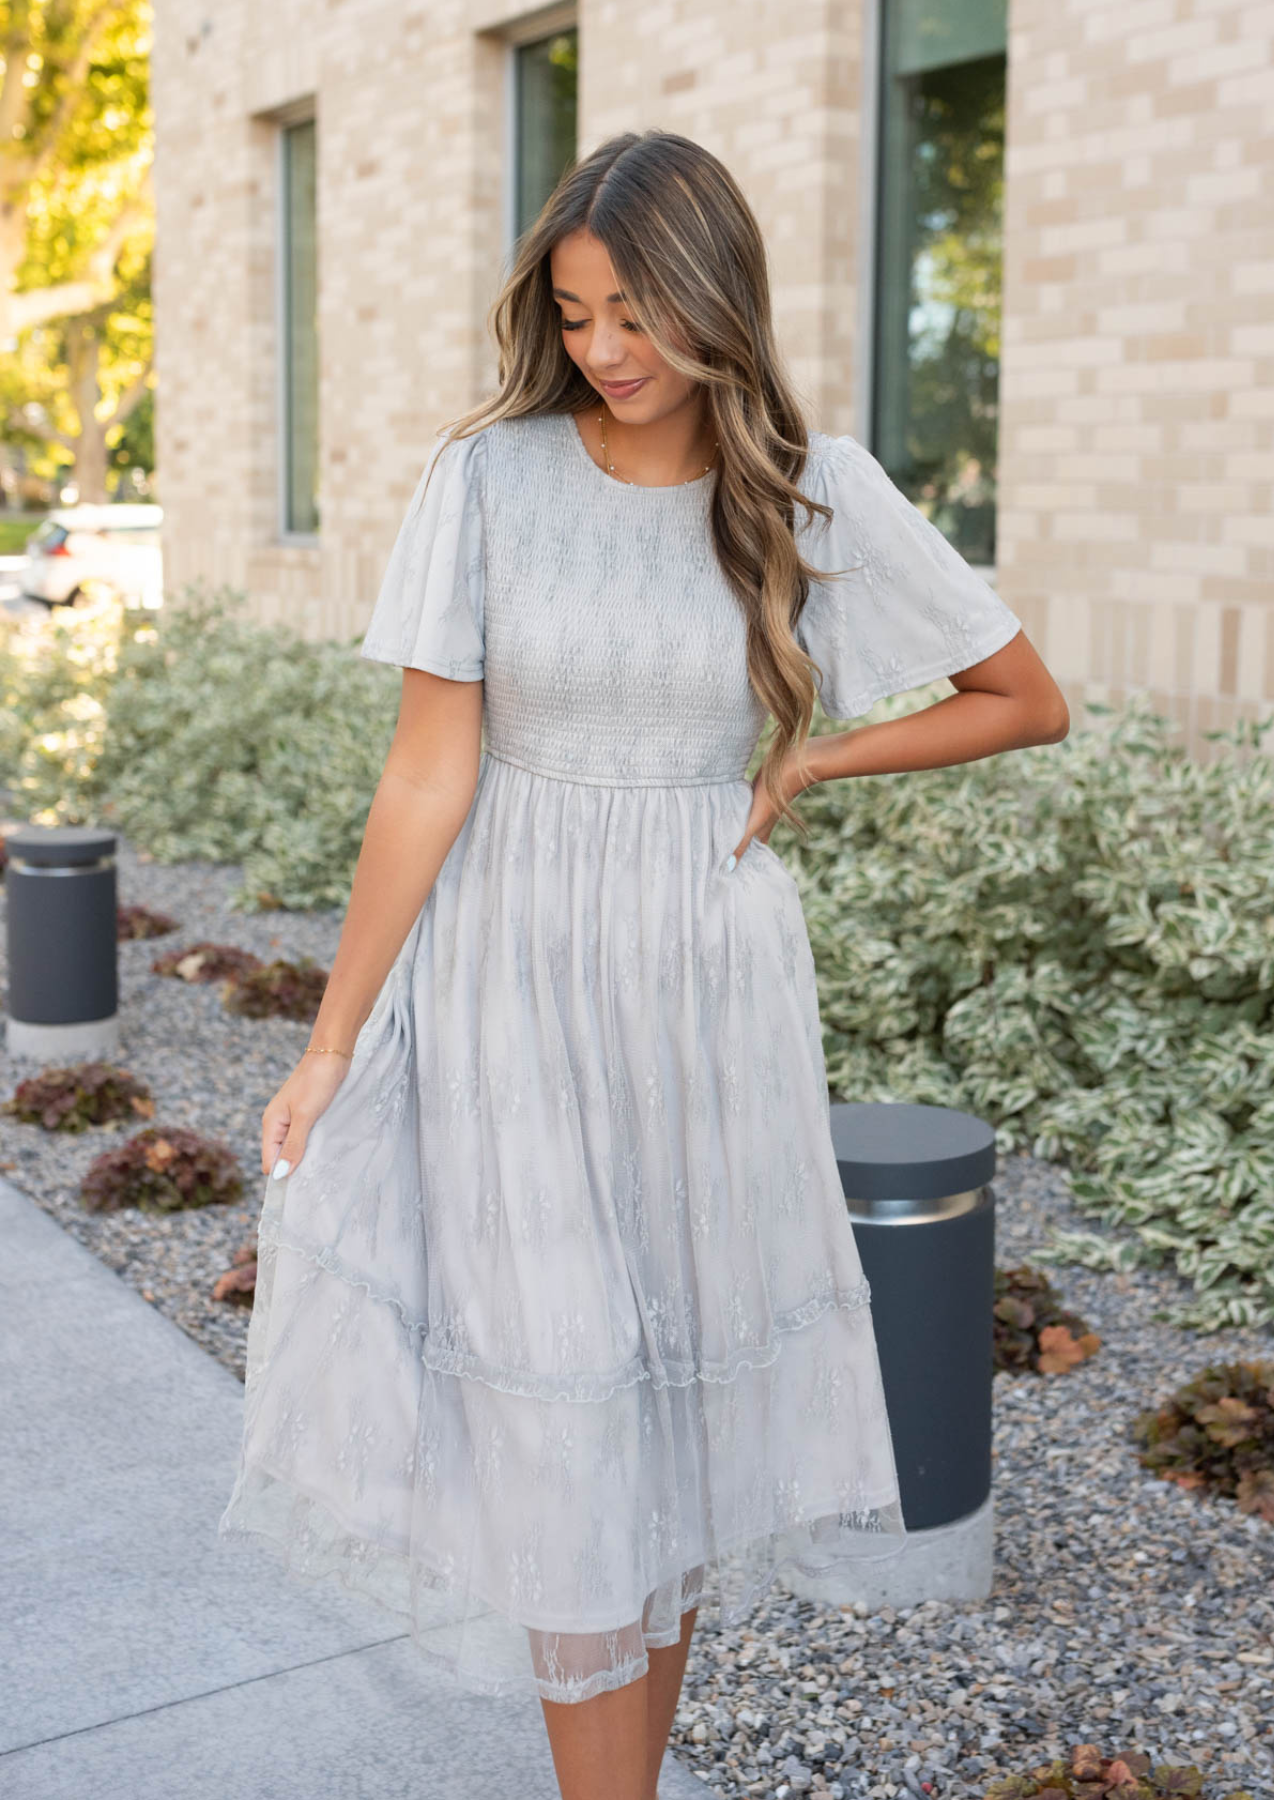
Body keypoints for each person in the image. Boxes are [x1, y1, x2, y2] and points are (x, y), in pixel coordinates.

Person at [217, 128, 1069, 1800]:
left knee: (654, 1434)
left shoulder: (812, 487)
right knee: (566, 1414)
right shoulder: (486, 478)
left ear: (714, 299)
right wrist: (332, 1041)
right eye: (578, 310)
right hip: (508, 981)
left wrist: (816, 761)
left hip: (703, 990)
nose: (606, 349)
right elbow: (426, 775)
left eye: (637, 312)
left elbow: (1021, 699)